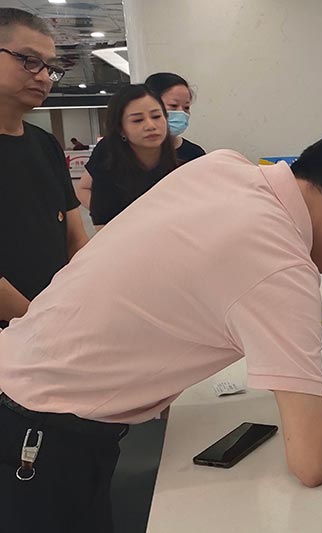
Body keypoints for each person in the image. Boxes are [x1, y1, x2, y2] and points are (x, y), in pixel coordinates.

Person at [0, 131, 322, 532]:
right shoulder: (282, 263)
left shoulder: (222, 167)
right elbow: (313, 460)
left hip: (18, 380)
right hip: (41, 434)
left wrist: (299, 380)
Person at [0, 8, 88, 328]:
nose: (42, 76)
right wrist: (39, 324)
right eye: (29, 60)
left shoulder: (45, 144)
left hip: (53, 322)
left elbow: (75, 238)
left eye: (50, 68)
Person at [77, 84, 178, 228]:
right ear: (121, 129)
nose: (150, 126)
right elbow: (102, 221)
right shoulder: (108, 155)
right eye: (137, 120)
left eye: (156, 116)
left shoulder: (189, 154)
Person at [144, 72, 205, 164]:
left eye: (186, 107)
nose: (181, 112)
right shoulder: (129, 153)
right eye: (173, 105)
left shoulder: (195, 154)